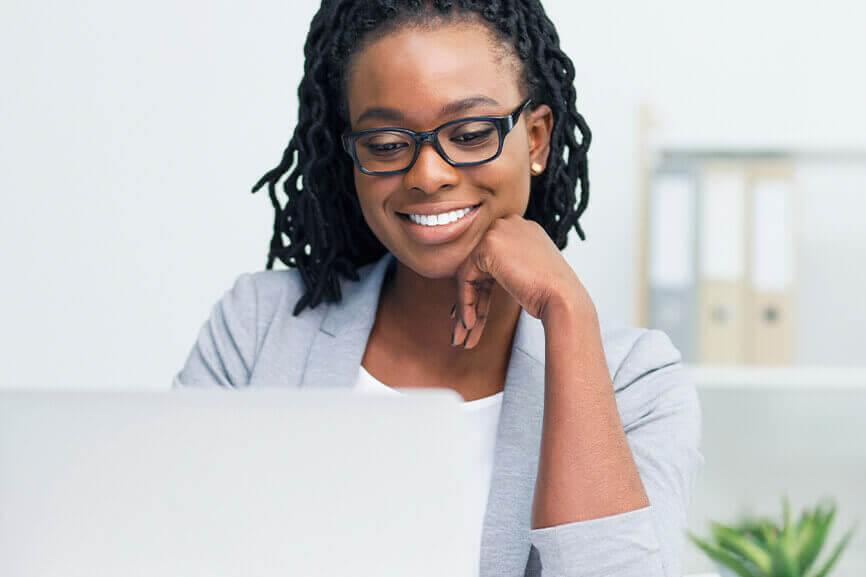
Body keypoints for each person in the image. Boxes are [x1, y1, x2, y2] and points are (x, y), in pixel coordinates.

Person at [172, 1, 704, 576]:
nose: (428, 174)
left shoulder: (637, 384)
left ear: (536, 139)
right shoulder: (257, 330)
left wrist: (567, 312)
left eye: (471, 134)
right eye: (384, 144)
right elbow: (157, 547)